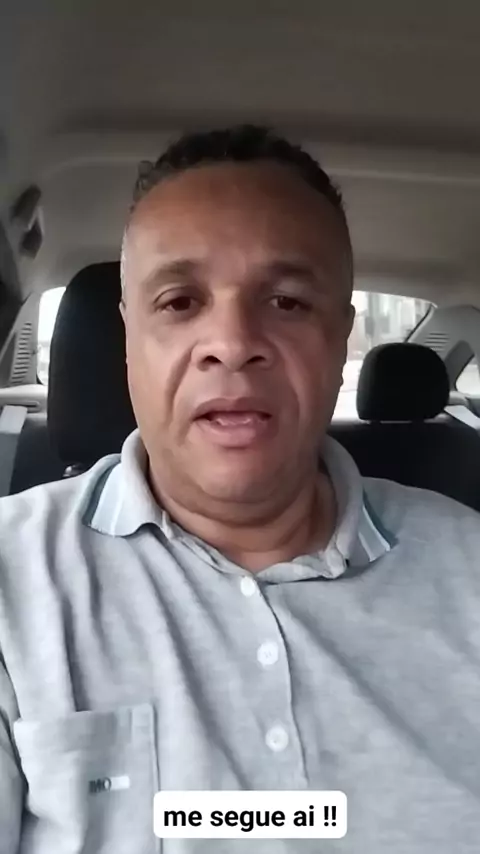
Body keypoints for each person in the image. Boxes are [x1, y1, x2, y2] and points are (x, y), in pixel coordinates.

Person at [1, 125, 480, 854]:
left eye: (286, 302)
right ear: (128, 339)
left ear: (339, 337)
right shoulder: (14, 580)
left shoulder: (470, 567)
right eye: (179, 301)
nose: (232, 342)